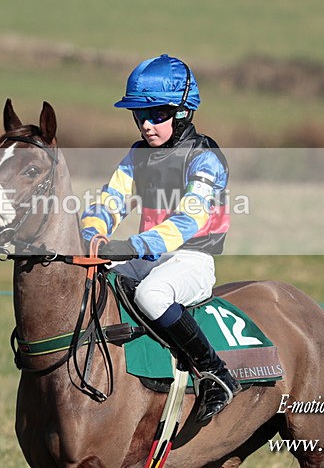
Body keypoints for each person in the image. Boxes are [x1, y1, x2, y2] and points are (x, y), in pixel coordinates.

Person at [80, 54, 239, 422]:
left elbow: (188, 219)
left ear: (182, 113)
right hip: (149, 257)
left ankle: (215, 373)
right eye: (140, 116)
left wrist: (134, 245)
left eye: (157, 115)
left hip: (192, 259)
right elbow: (111, 200)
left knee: (151, 295)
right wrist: (93, 233)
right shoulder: (137, 155)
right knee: (95, 274)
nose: (146, 125)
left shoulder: (205, 158)